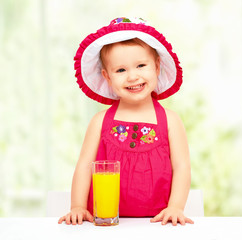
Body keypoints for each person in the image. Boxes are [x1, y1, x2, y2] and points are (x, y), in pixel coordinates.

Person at [58, 17, 193, 226]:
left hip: (157, 225)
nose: (132, 76)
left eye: (141, 65)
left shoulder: (170, 121)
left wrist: (175, 207)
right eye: (121, 70)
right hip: (105, 224)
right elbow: (84, 166)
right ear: (107, 77)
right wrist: (77, 206)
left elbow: (182, 166)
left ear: (157, 67)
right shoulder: (100, 121)